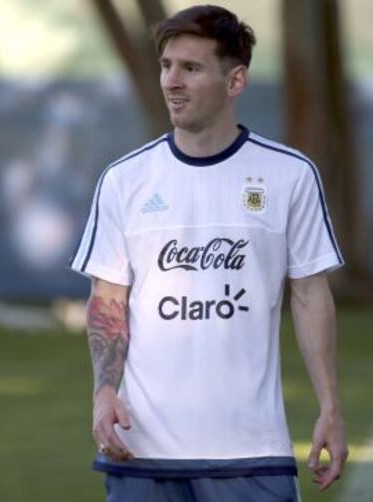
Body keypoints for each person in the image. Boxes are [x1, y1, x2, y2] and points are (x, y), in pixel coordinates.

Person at [70, 5, 348, 501]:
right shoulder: (124, 180)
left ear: (235, 80)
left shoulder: (290, 175)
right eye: (166, 66)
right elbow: (108, 296)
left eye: (191, 68)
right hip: (141, 452)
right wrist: (102, 392)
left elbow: (309, 293)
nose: (171, 81)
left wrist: (330, 404)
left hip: (252, 451)